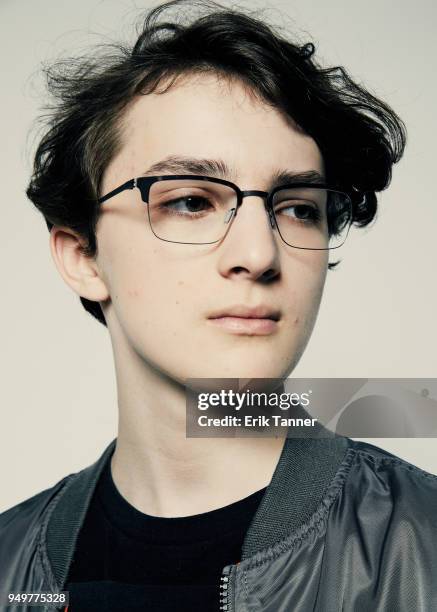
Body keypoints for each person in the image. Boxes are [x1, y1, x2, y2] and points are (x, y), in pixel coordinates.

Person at [1, 1, 436, 610]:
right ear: (83, 256)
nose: (259, 253)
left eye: (296, 207)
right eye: (190, 201)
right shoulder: (9, 564)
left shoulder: (424, 548)